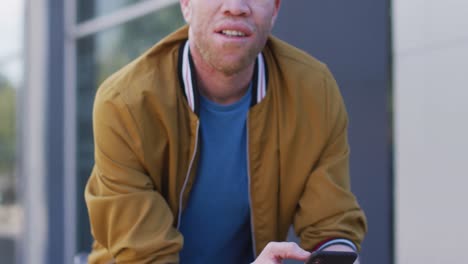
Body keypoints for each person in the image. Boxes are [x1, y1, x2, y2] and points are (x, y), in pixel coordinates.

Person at [84, 0, 367, 263]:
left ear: (276, 8)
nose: (235, 7)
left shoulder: (314, 93)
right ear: (186, 4)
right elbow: (145, 257)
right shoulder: (124, 105)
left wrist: (332, 254)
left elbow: (331, 224)